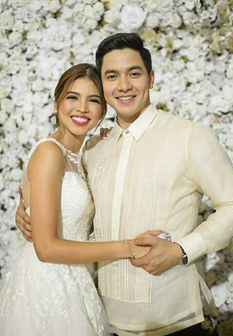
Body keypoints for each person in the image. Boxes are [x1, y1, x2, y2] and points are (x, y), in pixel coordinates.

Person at [15, 33, 233, 335]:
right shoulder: (93, 148)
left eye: (134, 73)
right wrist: (25, 209)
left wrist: (180, 250)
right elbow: (67, 204)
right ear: (104, 86)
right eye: (112, 76)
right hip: (102, 315)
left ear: (151, 78)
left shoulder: (190, 137)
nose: (124, 86)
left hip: (171, 319)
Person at [0, 63, 150, 336]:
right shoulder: (50, 152)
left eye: (93, 100)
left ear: (103, 112)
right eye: (72, 97)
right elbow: (46, 248)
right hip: (48, 283)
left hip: (76, 278)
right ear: (57, 102)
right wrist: (127, 248)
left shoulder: (81, 157)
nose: (82, 108)